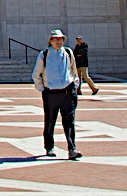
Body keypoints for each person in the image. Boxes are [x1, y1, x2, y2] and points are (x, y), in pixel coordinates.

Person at [31, 29, 82, 159]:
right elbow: (37, 74)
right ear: (51, 41)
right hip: (51, 93)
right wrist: (42, 89)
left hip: (67, 93)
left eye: (60, 39)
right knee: (50, 121)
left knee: (69, 121)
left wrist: (74, 86)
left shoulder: (69, 52)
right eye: (55, 39)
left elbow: (74, 71)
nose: (58, 41)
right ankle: (49, 148)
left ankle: (72, 149)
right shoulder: (45, 54)